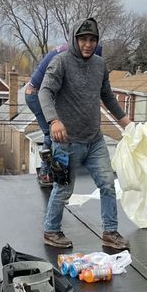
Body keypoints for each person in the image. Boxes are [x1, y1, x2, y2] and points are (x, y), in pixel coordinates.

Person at [39, 17, 130, 250]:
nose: (88, 44)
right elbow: (45, 92)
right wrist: (54, 120)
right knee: (63, 189)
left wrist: (125, 121)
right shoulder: (60, 62)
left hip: (94, 140)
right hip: (66, 141)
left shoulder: (100, 65)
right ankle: (51, 231)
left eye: (92, 39)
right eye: (83, 39)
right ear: (74, 39)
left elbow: (107, 95)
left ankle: (110, 232)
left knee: (108, 184)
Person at [25, 40, 102, 186]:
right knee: (51, 132)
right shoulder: (65, 56)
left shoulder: (71, 49)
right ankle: (45, 173)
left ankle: (50, 170)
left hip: (35, 92)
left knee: (57, 130)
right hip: (35, 94)